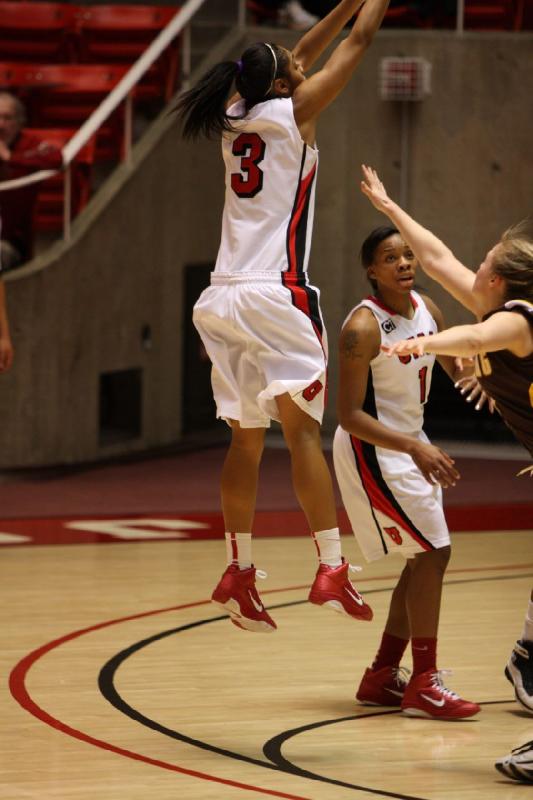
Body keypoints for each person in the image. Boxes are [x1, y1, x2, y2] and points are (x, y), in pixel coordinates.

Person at [175, 0, 391, 633]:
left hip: (221, 297)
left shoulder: (233, 113)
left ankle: (237, 570)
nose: (305, 65)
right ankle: (330, 567)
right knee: (301, 435)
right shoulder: (298, 111)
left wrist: (344, 3)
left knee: (245, 438)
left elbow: (302, 53)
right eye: (296, 67)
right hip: (276, 293)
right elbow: (361, 41)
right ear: (285, 84)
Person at [358, 165, 532, 772]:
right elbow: (436, 257)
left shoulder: (517, 318)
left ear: (499, 279)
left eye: (483, 260)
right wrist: (390, 204)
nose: (471, 266)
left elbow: (468, 337)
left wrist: (421, 345)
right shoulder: (490, 308)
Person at [332, 225, 480, 719]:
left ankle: (381, 676)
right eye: (390, 257)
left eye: (408, 255)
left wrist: (477, 373)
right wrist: (415, 447)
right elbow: (349, 416)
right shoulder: (362, 328)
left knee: (422, 559)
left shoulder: (428, 311)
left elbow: (454, 366)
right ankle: (424, 682)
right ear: (371, 270)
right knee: (434, 552)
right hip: (371, 448)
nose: (403, 263)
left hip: (408, 447)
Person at [0, 91, 62, 270]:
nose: (1, 125)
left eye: (8, 118)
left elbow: (55, 158)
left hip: (10, 241)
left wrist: (10, 157)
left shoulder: (30, 143)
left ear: (20, 123)